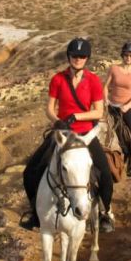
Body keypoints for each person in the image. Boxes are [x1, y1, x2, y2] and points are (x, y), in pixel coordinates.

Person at [20, 38, 116, 233]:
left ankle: (105, 212)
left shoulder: (94, 81)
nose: (78, 59)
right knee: (30, 171)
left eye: (82, 56)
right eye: (74, 55)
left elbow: (98, 112)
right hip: (62, 134)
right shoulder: (58, 79)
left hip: (84, 135)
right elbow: (49, 107)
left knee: (105, 173)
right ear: (69, 57)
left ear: (87, 58)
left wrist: (76, 116)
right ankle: (35, 214)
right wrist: (57, 120)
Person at [104, 42, 131, 177]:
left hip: (127, 108)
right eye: (126, 55)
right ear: (122, 55)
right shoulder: (114, 69)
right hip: (111, 107)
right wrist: (105, 100)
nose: (128, 57)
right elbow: (105, 87)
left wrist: (127, 105)